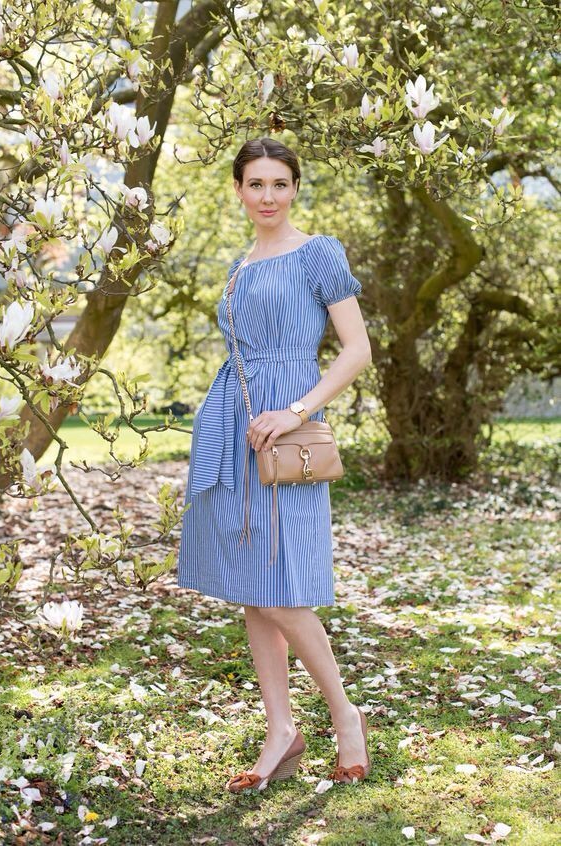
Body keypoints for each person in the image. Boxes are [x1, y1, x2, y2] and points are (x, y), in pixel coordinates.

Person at [177, 137, 372, 792]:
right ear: (238, 189)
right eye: (255, 184)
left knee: (283, 589)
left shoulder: (317, 253)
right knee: (254, 589)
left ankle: (345, 717)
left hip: (289, 434)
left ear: (295, 189)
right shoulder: (239, 266)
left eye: (279, 184)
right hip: (235, 429)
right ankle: (281, 730)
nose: (268, 196)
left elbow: (356, 350)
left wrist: (296, 410)